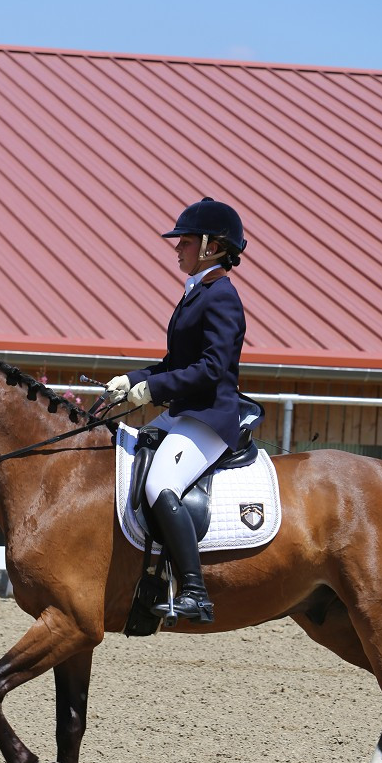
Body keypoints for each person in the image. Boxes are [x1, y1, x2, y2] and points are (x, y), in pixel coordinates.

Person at [106, 196, 248, 624]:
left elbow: (211, 368)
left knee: (160, 482)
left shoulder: (221, 296)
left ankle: (194, 590)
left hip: (209, 415)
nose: (177, 248)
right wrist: (132, 380)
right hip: (185, 410)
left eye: (184, 241)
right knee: (127, 458)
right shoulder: (196, 293)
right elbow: (176, 363)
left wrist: (152, 390)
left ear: (212, 245)